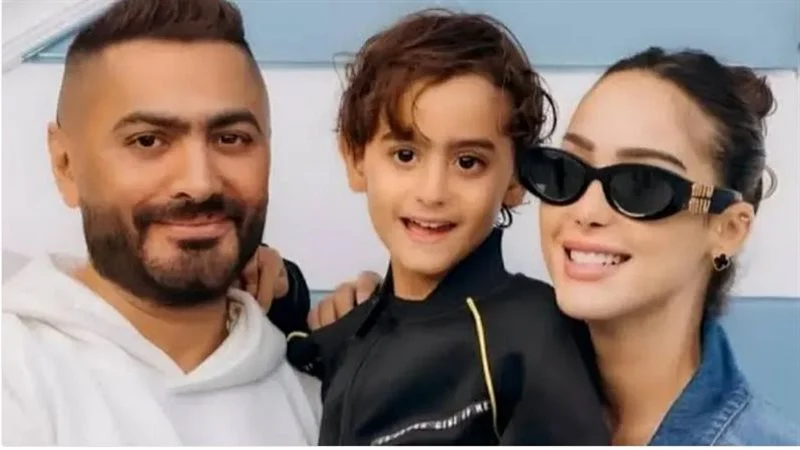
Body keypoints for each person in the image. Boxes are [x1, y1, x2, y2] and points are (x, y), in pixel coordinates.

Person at [316, 47, 800, 445]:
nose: (586, 210)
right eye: (568, 170)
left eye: (640, 184)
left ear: (728, 229)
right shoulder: (480, 372)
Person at [2, 0, 320, 445]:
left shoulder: (323, 395)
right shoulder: (15, 374)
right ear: (66, 164)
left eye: (231, 138)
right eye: (148, 140)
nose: (200, 183)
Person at [286, 9, 610, 445]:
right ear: (356, 159)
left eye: (468, 162)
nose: (433, 191)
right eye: (405, 155)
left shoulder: (532, 333)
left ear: (516, 180)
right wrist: (282, 289)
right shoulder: (344, 334)